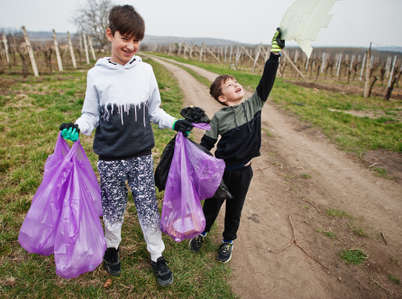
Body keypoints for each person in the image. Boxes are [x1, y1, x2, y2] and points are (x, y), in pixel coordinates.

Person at [59, 5, 193, 286]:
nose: (130, 46)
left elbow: (155, 110)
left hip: (142, 156)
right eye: (125, 39)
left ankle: (157, 255)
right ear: (111, 34)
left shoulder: (146, 72)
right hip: (110, 158)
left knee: (147, 206)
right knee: (113, 206)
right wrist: (77, 127)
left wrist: (174, 123)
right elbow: (90, 115)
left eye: (136, 40)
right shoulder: (96, 75)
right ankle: (112, 248)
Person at [188, 29, 285, 263]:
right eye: (229, 85)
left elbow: (266, 82)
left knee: (234, 209)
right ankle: (202, 232)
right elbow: (206, 144)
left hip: (243, 171)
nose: (236, 85)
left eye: (235, 82)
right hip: (221, 171)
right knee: (212, 206)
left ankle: (228, 241)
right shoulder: (220, 118)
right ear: (222, 98)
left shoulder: (254, 105)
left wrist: (274, 56)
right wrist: (196, 162)